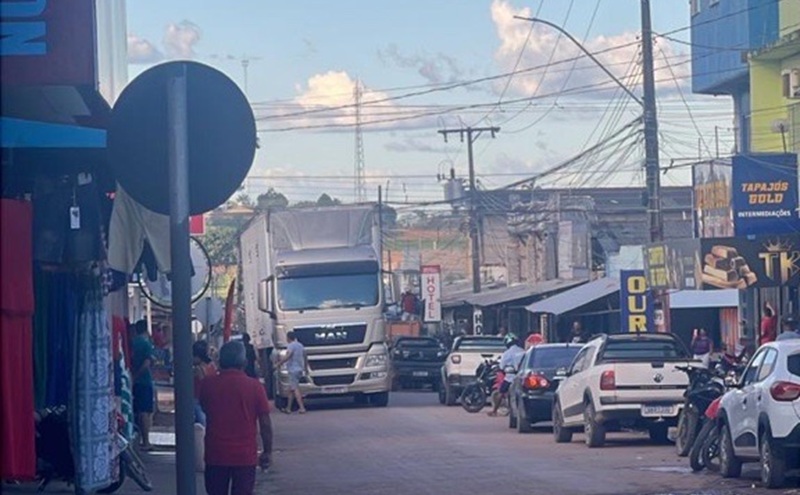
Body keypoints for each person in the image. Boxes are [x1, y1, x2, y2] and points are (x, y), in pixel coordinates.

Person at [200, 341, 272, 495]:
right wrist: (267, 452)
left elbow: (204, 408)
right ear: (244, 362)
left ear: (220, 361)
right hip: (244, 455)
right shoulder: (255, 387)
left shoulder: (207, 385)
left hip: (215, 453)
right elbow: (265, 423)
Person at [131, 319, 155, 451]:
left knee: (138, 410)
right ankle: (146, 441)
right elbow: (147, 363)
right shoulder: (146, 344)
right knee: (145, 411)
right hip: (144, 381)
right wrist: (137, 376)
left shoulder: (132, 342)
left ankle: (139, 439)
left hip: (134, 381)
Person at [488, 335, 524, 417]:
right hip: (520, 377)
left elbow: (501, 366)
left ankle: (494, 411)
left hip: (510, 377)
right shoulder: (522, 351)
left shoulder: (507, 353)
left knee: (501, 393)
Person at [275, 331, 308, 414]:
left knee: (295, 389)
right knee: (291, 390)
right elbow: (305, 357)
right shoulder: (300, 345)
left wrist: (279, 363)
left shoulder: (291, 346)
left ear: (288, 338)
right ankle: (288, 408)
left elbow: (288, 355)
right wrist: (305, 368)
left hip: (293, 370)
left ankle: (302, 407)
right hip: (299, 369)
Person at [193, 340, 217, 426]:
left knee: (202, 421)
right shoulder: (212, 366)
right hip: (210, 398)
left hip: (197, 398)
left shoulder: (198, 369)